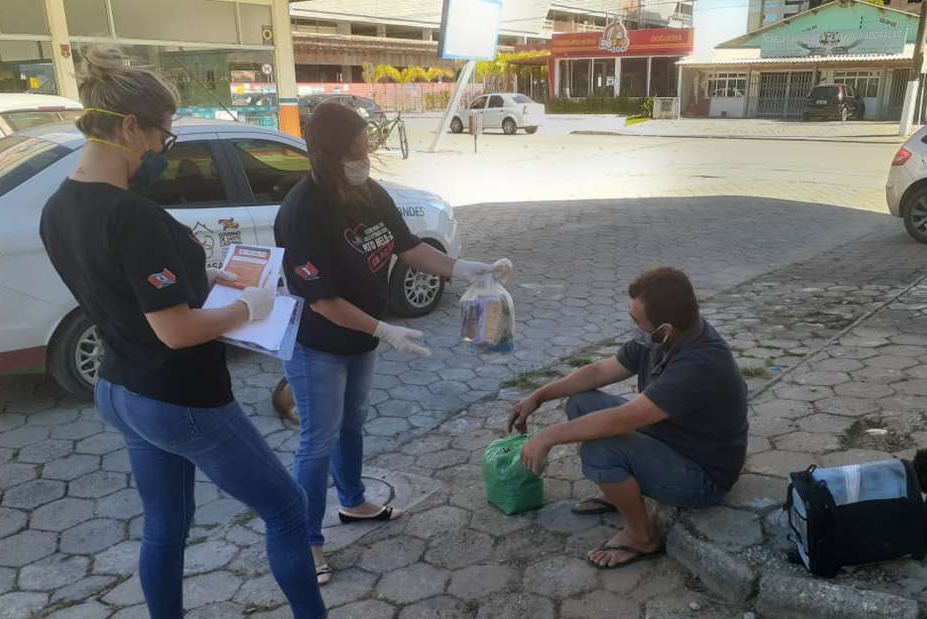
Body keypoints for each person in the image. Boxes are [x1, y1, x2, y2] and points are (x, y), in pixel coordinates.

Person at [39, 46, 389, 619]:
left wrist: (208, 282)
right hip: (180, 396)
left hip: (120, 389)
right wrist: (245, 306)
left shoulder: (59, 206)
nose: (161, 150)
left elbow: (125, 300)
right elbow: (174, 328)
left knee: (165, 523)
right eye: (162, 135)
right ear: (129, 129)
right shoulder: (130, 214)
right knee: (286, 507)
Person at [276, 102, 510, 585]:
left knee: (353, 424)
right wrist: (384, 330)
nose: (367, 153)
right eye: (359, 146)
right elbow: (321, 302)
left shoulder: (366, 191)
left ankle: (354, 501)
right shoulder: (303, 211)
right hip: (317, 341)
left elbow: (408, 247)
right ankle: (306, 543)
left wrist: (463, 269)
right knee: (316, 441)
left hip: (360, 337)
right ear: (333, 150)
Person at [508, 267, 748, 569]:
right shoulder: (662, 337)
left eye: (637, 320)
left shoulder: (699, 363)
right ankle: (622, 492)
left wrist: (547, 437)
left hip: (702, 475)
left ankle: (642, 536)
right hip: (667, 439)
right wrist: (538, 396)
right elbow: (597, 372)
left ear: (664, 329)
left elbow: (623, 419)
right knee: (582, 402)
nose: (633, 325)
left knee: (601, 448)